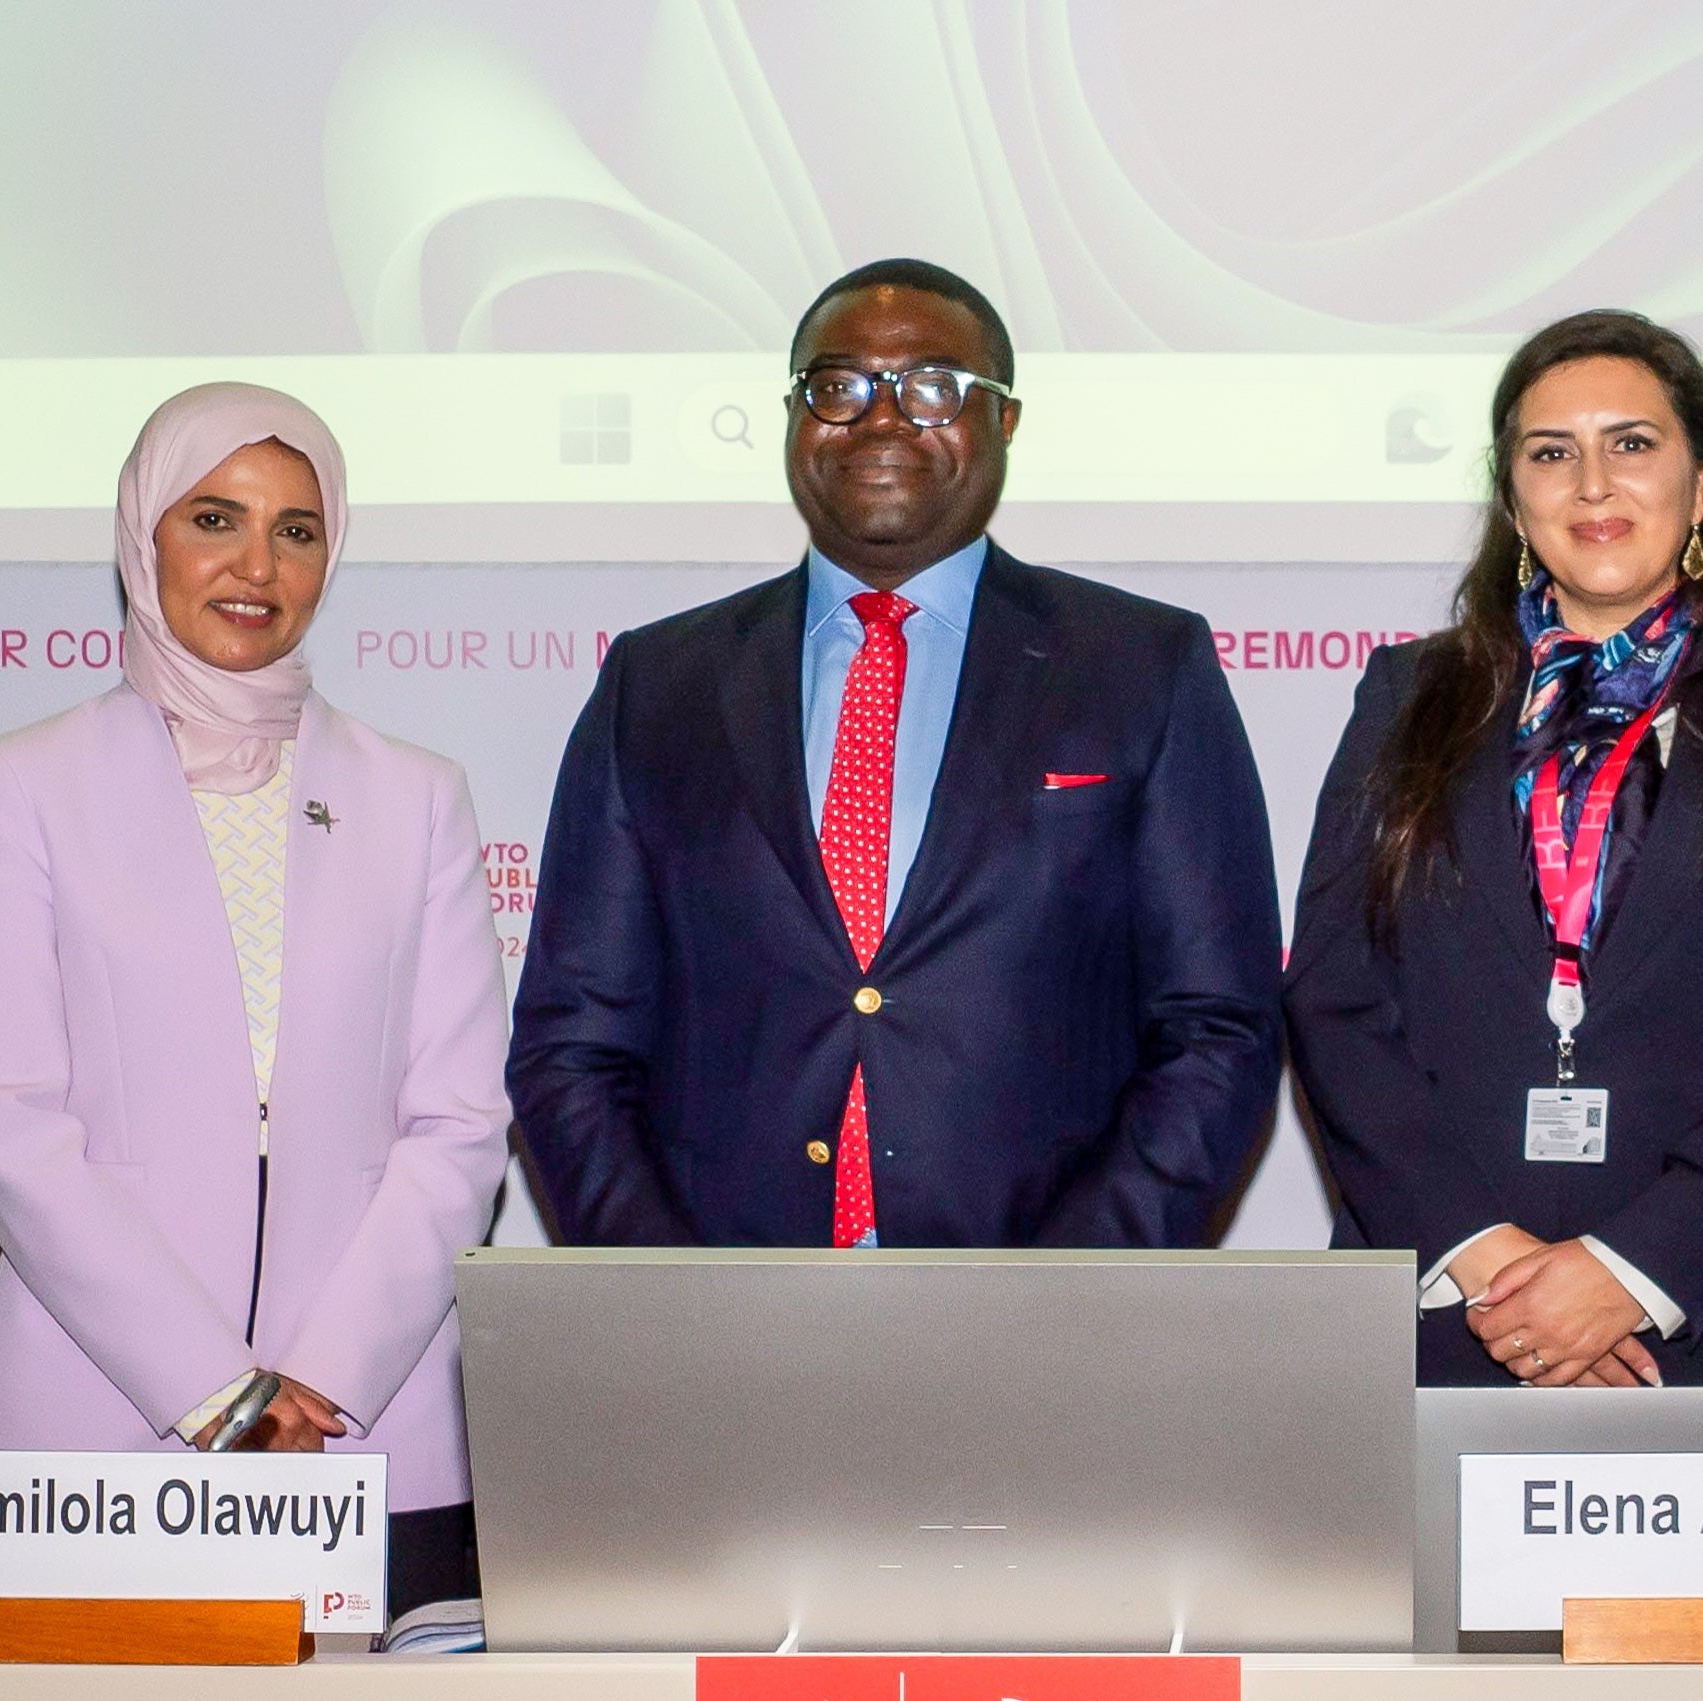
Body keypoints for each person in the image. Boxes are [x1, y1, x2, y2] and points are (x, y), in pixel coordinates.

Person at [509, 259, 1282, 1248]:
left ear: (1004, 420)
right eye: (837, 387)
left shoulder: (1142, 668)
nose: (881, 419)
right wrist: (672, 1291)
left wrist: (1075, 1286)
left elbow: (1218, 1024)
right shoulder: (656, 684)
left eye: (933, 388)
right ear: (793, 419)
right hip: (723, 1301)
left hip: (1047, 1294)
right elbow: (573, 1040)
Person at [0, 383, 511, 1615]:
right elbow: (13, 1121)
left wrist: (323, 1382)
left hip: (361, 1426)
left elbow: (460, 1123)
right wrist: (216, 1390)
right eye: (214, 518)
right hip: (87, 1421)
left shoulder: (417, 796)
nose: (258, 566)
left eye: (296, 530)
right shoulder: (25, 781)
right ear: (143, 534)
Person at [1286, 311, 1703, 1387]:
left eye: (1632, 443)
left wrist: (1632, 1273)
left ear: (1702, 481)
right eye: (1550, 454)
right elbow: (1333, 998)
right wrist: (1488, 1263)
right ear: (1512, 498)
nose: (1592, 485)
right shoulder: (1406, 698)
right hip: (1444, 1315)